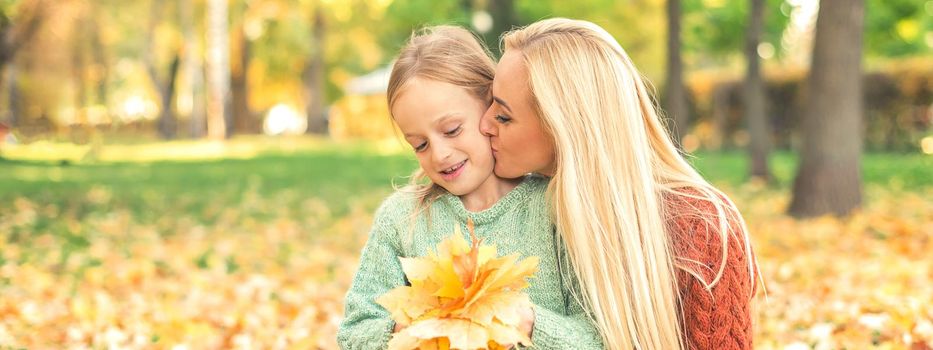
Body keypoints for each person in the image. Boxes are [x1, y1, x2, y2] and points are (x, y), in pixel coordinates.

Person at [479, 18, 760, 349]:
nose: (484, 124)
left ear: (566, 128)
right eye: (490, 105)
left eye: (503, 116)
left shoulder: (702, 228)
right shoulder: (519, 210)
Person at [337, 25, 603, 349]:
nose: (439, 154)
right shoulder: (402, 219)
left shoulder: (553, 208)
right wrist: (406, 327)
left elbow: (597, 337)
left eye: (451, 130)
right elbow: (353, 334)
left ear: (492, 108)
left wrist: (530, 324)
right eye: (419, 145)